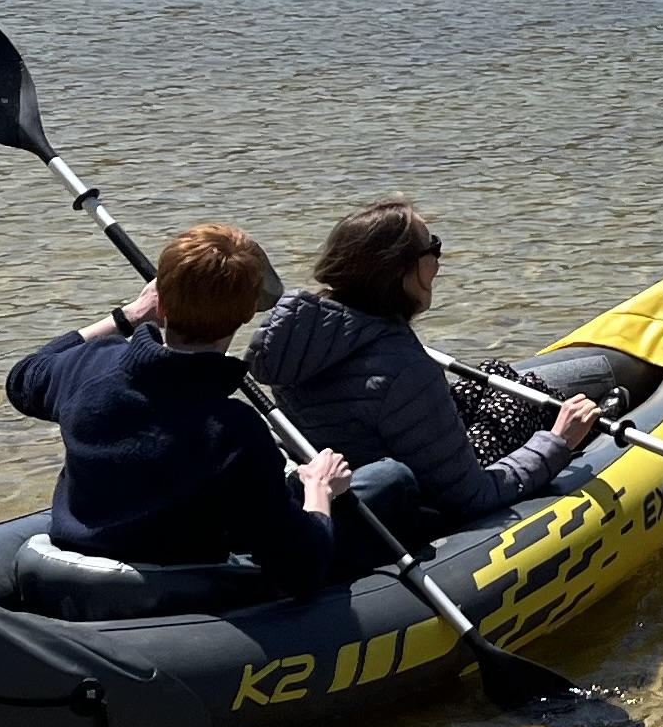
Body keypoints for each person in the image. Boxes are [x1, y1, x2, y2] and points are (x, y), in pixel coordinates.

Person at [9, 220, 351, 588]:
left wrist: (129, 315)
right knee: (389, 482)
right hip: (174, 584)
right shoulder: (234, 430)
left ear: (161, 301)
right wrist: (320, 489)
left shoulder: (90, 365)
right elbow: (300, 568)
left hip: (81, 553)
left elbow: (24, 376)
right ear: (246, 314)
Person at [251, 198, 608, 541]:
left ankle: (598, 407)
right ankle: (599, 425)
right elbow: (473, 497)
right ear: (401, 271)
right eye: (432, 249)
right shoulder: (404, 367)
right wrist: (558, 442)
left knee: (494, 371)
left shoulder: (300, 339)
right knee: (520, 406)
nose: (439, 261)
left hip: (362, 469)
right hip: (418, 504)